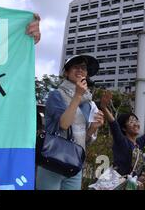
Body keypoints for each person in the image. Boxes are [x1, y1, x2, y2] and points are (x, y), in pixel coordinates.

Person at [36, 54, 105, 190]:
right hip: (52, 159)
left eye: (83, 68)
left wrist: (93, 128)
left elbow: (80, 140)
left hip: (74, 163)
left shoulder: (88, 103)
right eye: (75, 67)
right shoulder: (57, 95)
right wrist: (78, 95)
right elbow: (64, 125)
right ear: (67, 72)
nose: (80, 70)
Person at [100, 94, 145, 189]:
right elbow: (114, 124)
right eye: (131, 122)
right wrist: (104, 107)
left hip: (131, 185)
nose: (136, 124)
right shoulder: (122, 141)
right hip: (118, 184)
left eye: (136, 121)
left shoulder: (139, 143)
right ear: (123, 128)